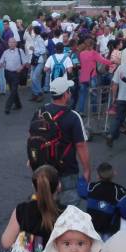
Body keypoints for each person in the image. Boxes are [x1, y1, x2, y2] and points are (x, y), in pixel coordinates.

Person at [32, 76, 91, 207]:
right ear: (65, 95)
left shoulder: (39, 112)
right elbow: (81, 145)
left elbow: (32, 136)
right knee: (68, 210)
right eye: (69, 91)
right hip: (66, 170)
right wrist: (87, 170)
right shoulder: (73, 116)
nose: (70, 93)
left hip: (43, 170)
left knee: (46, 207)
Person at [1, 165, 63, 248]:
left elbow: (6, 242)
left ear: (34, 186)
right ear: (59, 186)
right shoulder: (67, 212)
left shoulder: (22, 210)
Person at [80, 162, 126, 240]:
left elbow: (81, 190)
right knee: (125, 226)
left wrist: (83, 177)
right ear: (114, 173)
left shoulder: (90, 188)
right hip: (109, 229)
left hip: (93, 227)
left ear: (98, 176)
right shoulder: (119, 193)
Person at [106, 48, 126, 147]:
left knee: (118, 118)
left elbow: (115, 84)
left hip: (121, 97)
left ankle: (111, 135)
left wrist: (114, 97)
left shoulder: (120, 67)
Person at [76, 38, 112, 114]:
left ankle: (81, 111)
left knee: (82, 95)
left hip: (83, 76)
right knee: (94, 94)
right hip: (92, 76)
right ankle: (94, 111)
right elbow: (103, 61)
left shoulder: (81, 53)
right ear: (92, 45)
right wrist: (112, 62)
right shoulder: (94, 53)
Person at [0, 37, 29, 114]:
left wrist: (21, 67)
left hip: (16, 74)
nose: (12, 44)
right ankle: (18, 105)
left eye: (13, 42)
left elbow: (25, 62)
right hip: (7, 73)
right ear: (8, 43)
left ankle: (7, 107)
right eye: (10, 42)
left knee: (13, 90)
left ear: (16, 43)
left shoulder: (20, 51)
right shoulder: (5, 52)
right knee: (13, 90)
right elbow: (0, 62)